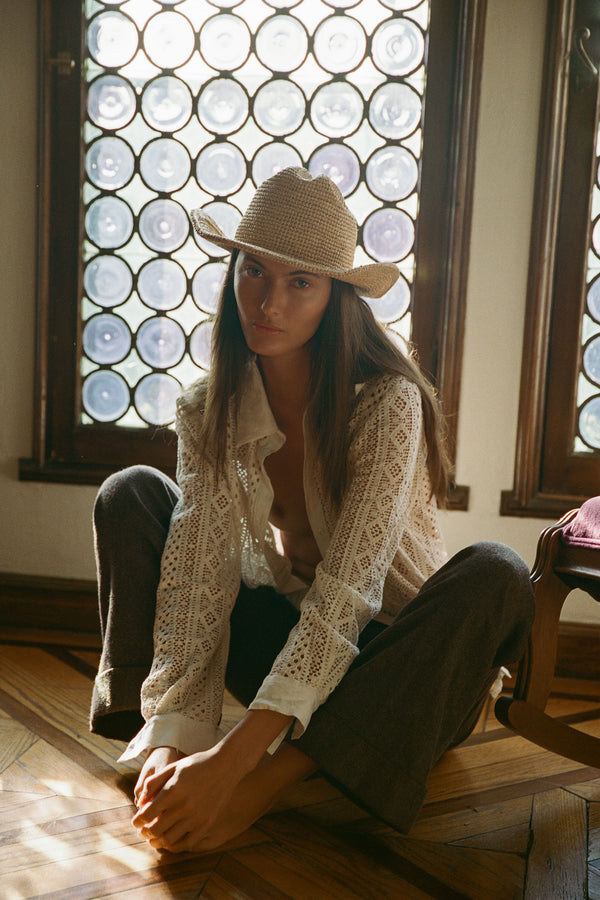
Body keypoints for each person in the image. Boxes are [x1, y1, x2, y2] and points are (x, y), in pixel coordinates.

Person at [90, 167, 535, 854]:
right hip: (291, 645)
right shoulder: (209, 408)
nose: (268, 302)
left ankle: (274, 787)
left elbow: (350, 593)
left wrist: (239, 770)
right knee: (130, 493)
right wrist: (171, 747)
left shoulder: (385, 401)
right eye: (254, 271)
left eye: (300, 282)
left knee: (498, 570)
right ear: (233, 271)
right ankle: (165, 753)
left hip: (404, 670)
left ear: (336, 297)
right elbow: (194, 580)